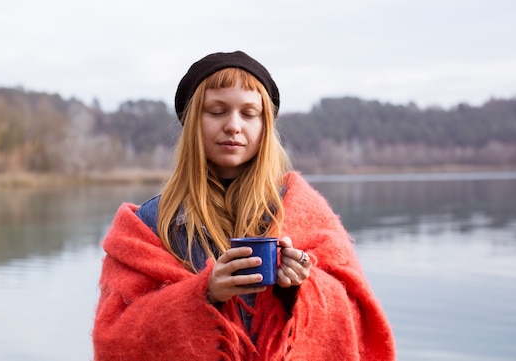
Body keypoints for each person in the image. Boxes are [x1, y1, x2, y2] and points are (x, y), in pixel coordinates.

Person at [92, 51, 396, 360]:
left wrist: (300, 286)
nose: (233, 126)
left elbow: (356, 323)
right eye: (217, 111)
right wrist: (203, 294)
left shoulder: (304, 211)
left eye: (249, 113)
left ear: (265, 125)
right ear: (193, 121)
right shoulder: (149, 225)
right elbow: (114, 341)